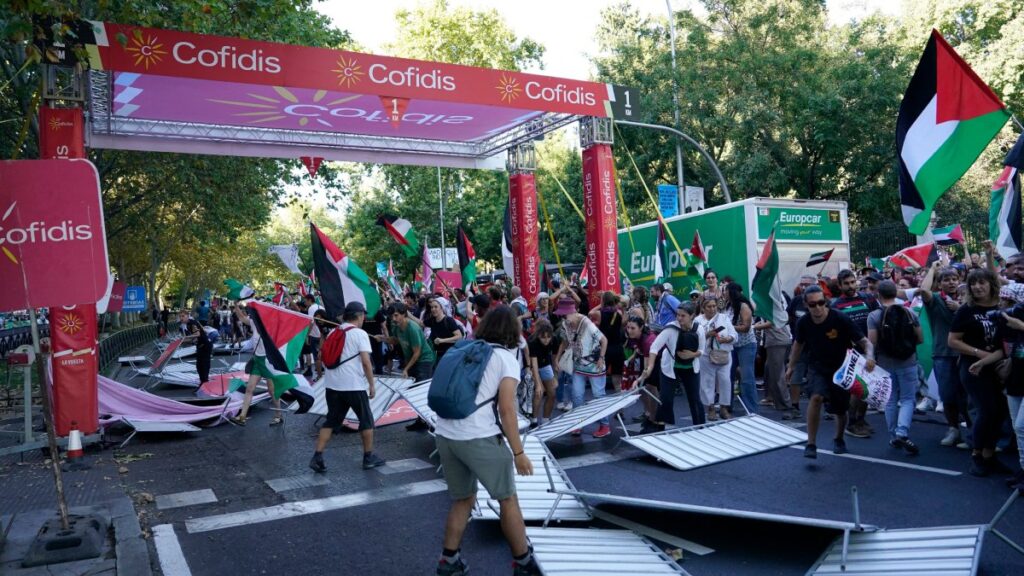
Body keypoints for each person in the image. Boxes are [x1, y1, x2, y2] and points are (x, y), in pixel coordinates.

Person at [433, 306, 541, 576]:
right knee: (508, 500)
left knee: (463, 500)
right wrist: (518, 452)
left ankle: (449, 560)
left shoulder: (465, 348)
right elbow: (507, 410)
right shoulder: (506, 358)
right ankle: (524, 562)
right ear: (513, 331)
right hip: (478, 436)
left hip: (446, 434)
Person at [786, 286, 875, 459]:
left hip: (841, 369)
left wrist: (870, 356)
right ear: (806, 305)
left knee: (840, 409)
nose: (818, 308)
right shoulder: (803, 322)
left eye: (821, 303)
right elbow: (798, 345)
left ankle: (839, 438)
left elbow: (865, 341)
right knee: (816, 397)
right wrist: (791, 366)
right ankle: (811, 443)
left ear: (825, 301)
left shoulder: (839, 318)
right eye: (813, 304)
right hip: (818, 366)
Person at [309, 302, 386, 473]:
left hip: (332, 385)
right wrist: (372, 384)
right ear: (360, 316)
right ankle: (368, 457)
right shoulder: (360, 334)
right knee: (366, 420)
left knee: (331, 420)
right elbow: (366, 362)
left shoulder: (333, 332)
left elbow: (322, 355)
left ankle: (317, 456)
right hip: (353, 385)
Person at [949, 268, 1010, 476]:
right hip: (973, 368)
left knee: (1000, 411)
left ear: (992, 284)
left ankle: (989, 455)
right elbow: (953, 341)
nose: (977, 287)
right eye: (973, 284)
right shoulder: (966, 310)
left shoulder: (1003, 307)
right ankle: (977, 455)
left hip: (999, 367)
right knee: (986, 411)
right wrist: (978, 353)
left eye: (982, 282)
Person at [867, 280, 924, 455]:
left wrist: (871, 358)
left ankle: (894, 436)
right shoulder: (909, 313)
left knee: (891, 399)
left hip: (886, 362)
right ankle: (902, 431)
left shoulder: (874, 316)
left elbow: (872, 342)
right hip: (908, 361)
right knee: (908, 398)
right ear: (896, 292)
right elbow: (920, 339)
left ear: (879, 295)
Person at [919, 262, 970, 447]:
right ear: (939, 284)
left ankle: (971, 433)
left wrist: (960, 308)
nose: (951, 282)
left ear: (960, 280)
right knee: (948, 396)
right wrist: (932, 269)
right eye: (946, 279)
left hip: (966, 354)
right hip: (943, 355)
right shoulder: (935, 300)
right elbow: (923, 290)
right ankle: (953, 429)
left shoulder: (967, 300)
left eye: (954, 279)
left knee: (967, 396)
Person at [831, 269, 880, 439]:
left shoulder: (868, 299)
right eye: (847, 283)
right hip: (850, 354)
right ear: (840, 285)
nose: (851, 286)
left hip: (869, 351)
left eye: (853, 282)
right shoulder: (835, 306)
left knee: (867, 388)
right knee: (856, 389)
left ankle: (861, 419)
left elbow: (878, 319)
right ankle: (851, 423)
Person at [643, 301, 706, 432]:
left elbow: (702, 350)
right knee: (666, 398)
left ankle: (700, 427)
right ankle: (661, 427)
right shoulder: (670, 329)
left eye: (683, 316)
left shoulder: (699, 329)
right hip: (670, 367)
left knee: (694, 398)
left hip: (691, 366)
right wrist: (650, 367)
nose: (679, 318)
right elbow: (654, 347)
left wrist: (692, 355)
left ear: (692, 315)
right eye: (678, 315)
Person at [555, 301, 610, 437]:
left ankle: (605, 425)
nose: (563, 317)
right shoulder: (565, 324)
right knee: (577, 395)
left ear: (573, 312)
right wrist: (557, 357)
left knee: (598, 396)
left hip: (594, 364)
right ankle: (578, 423)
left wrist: (601, 358)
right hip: (578, 365)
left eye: (564, 314)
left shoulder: (586, 323)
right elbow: (565, 341)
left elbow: (604, 340)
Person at [229, 304, 284, 426]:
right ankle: (242, 416)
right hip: (257, 361)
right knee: (249, 388)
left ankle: (278, 415)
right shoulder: (254, 322)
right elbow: (243, 318)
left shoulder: (270, 326)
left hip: (267, 361)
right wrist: (236, 307)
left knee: (272, 391)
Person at [694, 298, 736, 421]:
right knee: (707, 382)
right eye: (709, 307)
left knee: (725, 381)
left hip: (723, 354)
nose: (712, 309)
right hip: (706, 356)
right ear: (703, 308)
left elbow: (734, 335)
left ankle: (724, 408)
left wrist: (728, 338)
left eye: (714, 306)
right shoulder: (697, 321)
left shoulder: (724, 318)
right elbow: (694, 338)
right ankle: (710, 409)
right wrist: (707, 334)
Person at [378, 302, 436, 381]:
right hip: (411, 359)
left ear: (404, 314)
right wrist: (382, 338)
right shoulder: (396, 326)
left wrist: (406, 369)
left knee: (420, 386)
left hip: (424, 360)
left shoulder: (412, 328)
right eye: (391, 316)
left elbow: (417, 353)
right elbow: (396, 340)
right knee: (410, 384)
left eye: (396, 315)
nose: (393, 319)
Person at [724, 283, 758, 414]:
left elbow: (746, 327)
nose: (723, 293)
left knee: (747, 377)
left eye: (725, 291)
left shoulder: (744, 306)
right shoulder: (728, 306)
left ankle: (751, 409)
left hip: (746, 345)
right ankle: (727, 406)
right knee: (728, 376)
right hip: (732, 345)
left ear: (731, 292)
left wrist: (729, 328)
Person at [753, 314, 793, 414]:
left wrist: (753, 326)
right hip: (777, 340)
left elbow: (771, 322)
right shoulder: (769, 306)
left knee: (778, 375)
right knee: (771, 371)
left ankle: (785, 403)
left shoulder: (771, 306)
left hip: (778, 340)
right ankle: (777, 401)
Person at [623, 316, 658, 424]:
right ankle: (648, 413)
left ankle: (654, 417)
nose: (629, 330)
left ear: (641, 327)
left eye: (633, 328)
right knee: (643, 387)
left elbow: (647, 368)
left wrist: (638, 380)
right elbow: (638, 347)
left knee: (650, 387)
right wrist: (633, 356)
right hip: (646, 358)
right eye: (628, 327)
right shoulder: (636, 336)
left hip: (658, 361)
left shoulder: (648, 341)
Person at [591, 291, 626, 394]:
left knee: (600, 378)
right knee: (617, 381)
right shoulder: (618, 313)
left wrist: (600, 304)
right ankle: (621, 409)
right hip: (618, 348)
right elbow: (624, 323)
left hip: (604, 349)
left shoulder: (599, 313)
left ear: (603, 301)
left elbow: (590, 313)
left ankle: (601, 404)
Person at [527, 319, 559, 428]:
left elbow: (555, 360)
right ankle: (534, 419)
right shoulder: (532, 341)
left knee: (552, 393)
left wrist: (555, 376)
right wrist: (538, 383)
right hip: (533, 366)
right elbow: (534, 365)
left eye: (548, 337)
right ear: (538, 335)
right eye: (543, 337)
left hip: (546, 364)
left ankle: (546, 419)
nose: (546, 340)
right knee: (538, 392)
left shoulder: (554, 339)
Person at [424, 296, 464, 363]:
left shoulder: (449, 320)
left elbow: (459, 336)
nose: (433, 309)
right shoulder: (433, 320)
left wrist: (442, 340)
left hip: (448, 356)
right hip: (436, 355)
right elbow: (420, 323)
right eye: (431, 307)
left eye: (436, 307)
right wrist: (407, 313)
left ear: (442, 308)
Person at [179, 310, 212, 384]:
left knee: (204, 366)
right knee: (199, 366)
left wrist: (184, 339)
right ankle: (203, 382)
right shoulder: (187, 324)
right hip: (200, 346)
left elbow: (197, 334)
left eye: (183, 316)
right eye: (180, 316)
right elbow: (193, 337)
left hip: (205, 345)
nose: (181, 318)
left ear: (188, 316)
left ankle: (205, 382)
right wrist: (182, 341)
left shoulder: (192, 323)